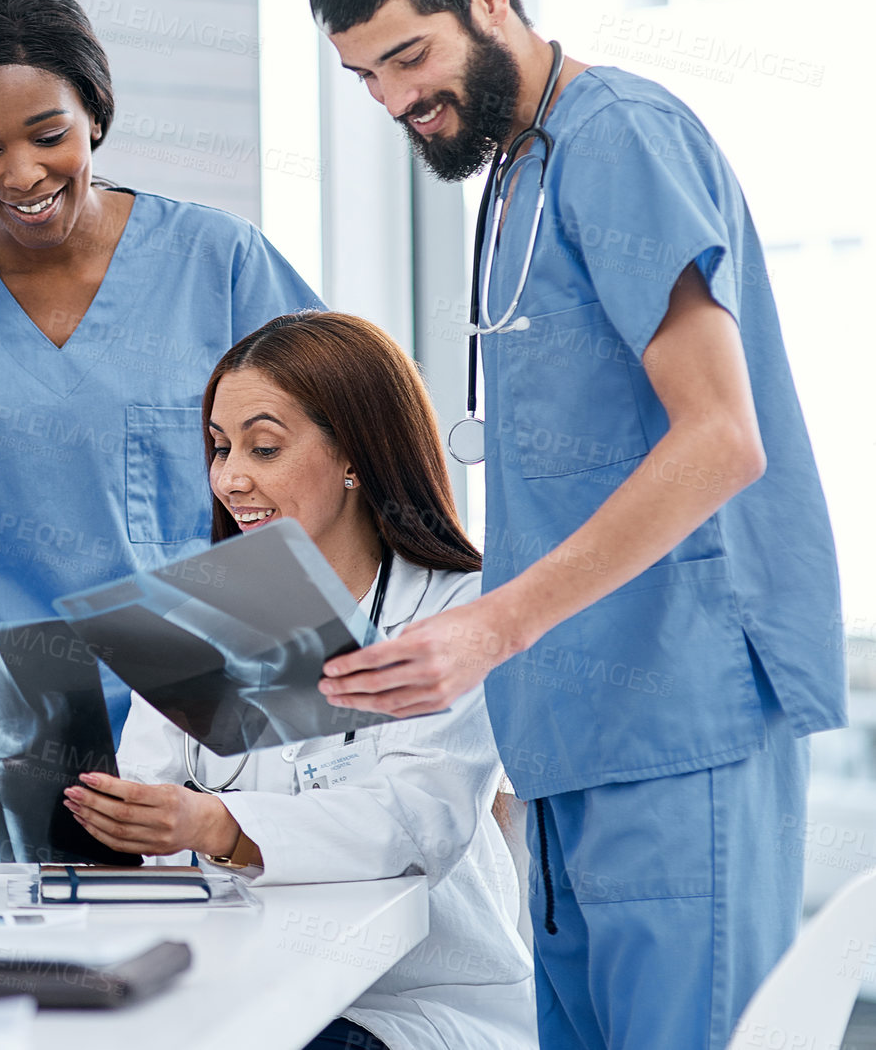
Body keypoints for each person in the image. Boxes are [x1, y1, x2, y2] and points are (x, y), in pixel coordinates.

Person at [306, 0, 843, 1049]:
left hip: (676, 715)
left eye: (407, 56)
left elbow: (720, 438)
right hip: (567, 734)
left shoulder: (619, 139)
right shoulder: (515, 173)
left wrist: (490, 628)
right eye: (365, 79)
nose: (394, 100)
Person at [0, 0, 319, 733]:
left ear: (94, 114)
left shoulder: (219, 262)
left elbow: (332, 463)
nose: (22, 174)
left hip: (221, 689)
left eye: (48, 135)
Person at [66, 311, 534, 1050]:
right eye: (219, 448)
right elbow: (149, 817)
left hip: (402, 1001)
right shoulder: (194, 614)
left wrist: (218, 826)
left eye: (264, 447)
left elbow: (417, 823)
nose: (230, 478)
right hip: (224, 981)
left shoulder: (458, 609)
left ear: (353, 451)